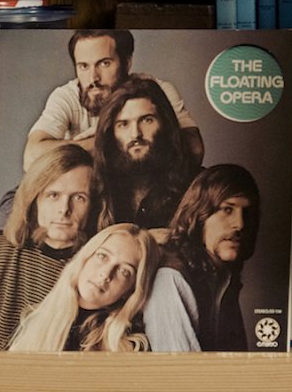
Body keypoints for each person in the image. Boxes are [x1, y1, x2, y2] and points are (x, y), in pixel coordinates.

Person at [0, 144, 101, 351]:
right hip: (3, 377)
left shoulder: (102, 267)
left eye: (79, 198)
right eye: (53, 195)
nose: (64, 210)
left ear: (94, 205)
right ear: (35, 200)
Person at [23, 29, 200, 172]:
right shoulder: (66, 96)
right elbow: (31, 157)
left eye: (104, 63)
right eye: (83, 66)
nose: (93, 78)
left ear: (127, 62)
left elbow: (195, 150)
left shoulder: (155, 91)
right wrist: (107, 142)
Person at [142, 165, 261, 352]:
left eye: (246, 212)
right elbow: (182, 374)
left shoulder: (223, 273)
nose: (240, 224)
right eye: (227, 210)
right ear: (200, 214)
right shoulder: (171, 278)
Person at [6, 223, 157, 352]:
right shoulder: (36, 319)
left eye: (124, 271)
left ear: (130, 291)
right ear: (85, 258)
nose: (106, 274)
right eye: (102, 256)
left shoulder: (130, 345)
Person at [92, 76, 197, 230]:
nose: (136, 134)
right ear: (111, 133)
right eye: (123, 125)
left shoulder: (195, 187)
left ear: (165, 124)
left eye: (147, 120)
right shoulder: (97, 189)